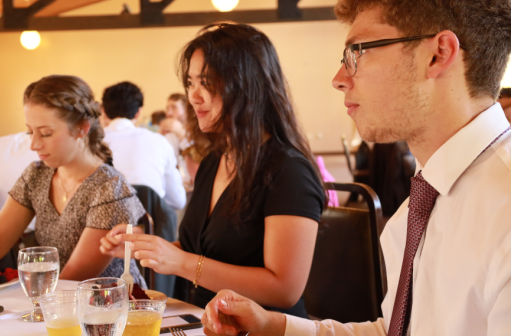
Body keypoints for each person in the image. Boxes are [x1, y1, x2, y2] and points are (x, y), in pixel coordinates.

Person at [201, 0, 511, 335]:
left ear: (437, 54)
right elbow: (393, 330)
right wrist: (274, 325)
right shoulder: (419, 203)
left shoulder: (502, 206)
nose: (339, 79)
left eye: (357, 52)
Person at [101, 22, 326, 318]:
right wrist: (147, 247)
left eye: (206, 82)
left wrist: (181, 262)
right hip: (201, 318)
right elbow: (198, 249)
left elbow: (284, 289)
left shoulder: (288, 171)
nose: (194, 96)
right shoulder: (215, 160)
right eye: (191, 82)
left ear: (247, 85)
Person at [0, 75, 147, 285]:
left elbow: (75, 278)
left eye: (45, 134)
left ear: (82, 128)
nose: (33, 144)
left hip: (111, 307)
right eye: (30, 132)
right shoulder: (36, 175)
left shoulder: (110, 188)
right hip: (58, 302)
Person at [102, 81, 186, 210]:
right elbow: (178, 201)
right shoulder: (159, 141)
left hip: (100, 225)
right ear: (138, 112)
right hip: (148, 225)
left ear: (104, 112)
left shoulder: (91, 143)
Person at [0, 132, 39, 232]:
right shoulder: (33, 171)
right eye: (30, 132)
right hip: (16, 235)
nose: (32, 146)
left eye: (46, 134)